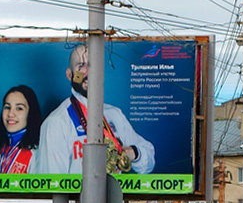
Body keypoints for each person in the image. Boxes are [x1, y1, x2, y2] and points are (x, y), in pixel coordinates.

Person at [38, 44, 156, 175]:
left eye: (93, 65)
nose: (88, 72)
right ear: (69, 75)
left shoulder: (114, 114)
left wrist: (133, 153)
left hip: (113, 194)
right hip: (79, 195)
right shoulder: (57, 122)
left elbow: (149, 162)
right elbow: (52, 185)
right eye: (81, 66)